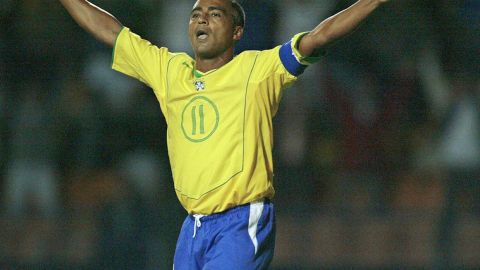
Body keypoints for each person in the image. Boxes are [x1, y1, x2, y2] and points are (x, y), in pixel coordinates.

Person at [58, 0, 389, 269]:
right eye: (196, 14)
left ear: (237, 31)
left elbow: (318, 36)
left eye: (215, 14)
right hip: (192, 228)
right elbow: (112, 32)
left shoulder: (257, 71)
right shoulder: (169, 71)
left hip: (240, 221)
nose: (202, 19)